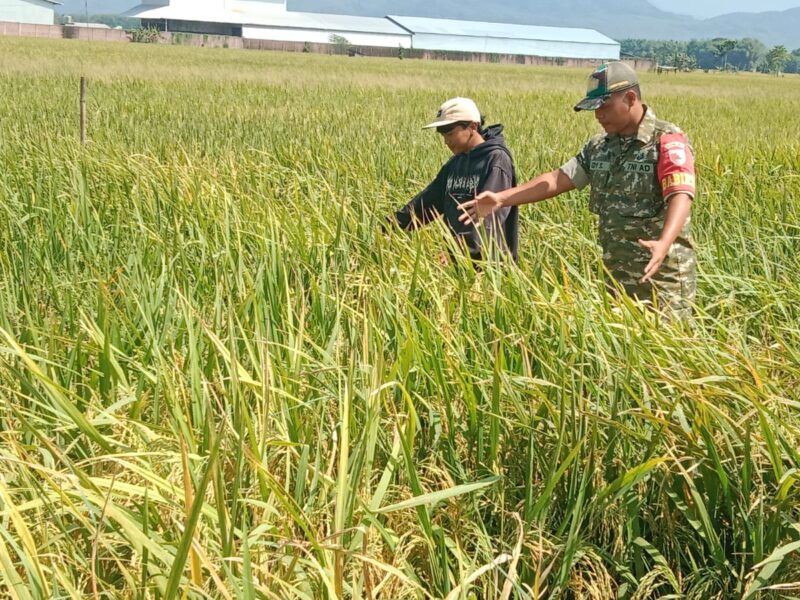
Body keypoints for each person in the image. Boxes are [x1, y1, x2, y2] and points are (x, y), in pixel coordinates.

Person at [459, 62, 697, 318]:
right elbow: (557, 180)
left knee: (663, 350)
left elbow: (680, 193)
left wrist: (664, 242)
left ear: (630, 98)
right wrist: (501, 198)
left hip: (662, 278)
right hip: (615, 275)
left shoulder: (666, 140)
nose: (598, 115)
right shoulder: (599, 147)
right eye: (594, 109)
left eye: (604, 106)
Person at [388, 97, 519, 264]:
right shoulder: (456, 162)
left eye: (450, 134)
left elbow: (490, 217)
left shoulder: (496, 160)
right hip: (455, 262)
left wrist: (460, 250)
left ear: (472, 126)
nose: (446, 141)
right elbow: (429, 200)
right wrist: (391, 226)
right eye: (443, 135)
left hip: (489, 268)